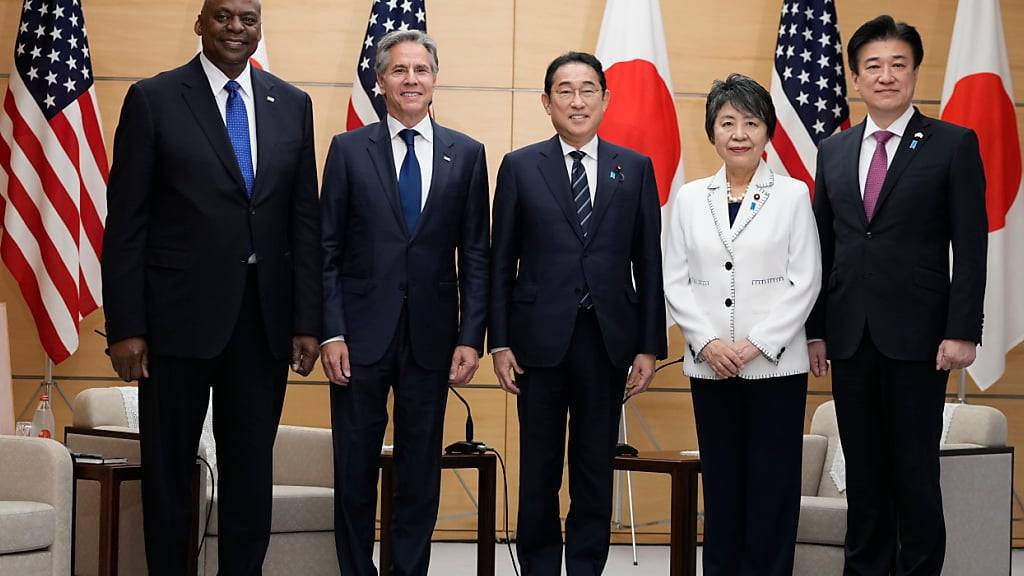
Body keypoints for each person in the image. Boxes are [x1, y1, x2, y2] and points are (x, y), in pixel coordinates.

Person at [101, 0, 321, 573]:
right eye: (222, 16)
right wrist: (127, 326)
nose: (235, 29)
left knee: (251, 471)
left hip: (264, 321)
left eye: (247, 19)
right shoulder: (153, 99)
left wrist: (306, 319)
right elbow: (126, 221)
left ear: (259, 28)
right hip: (175, 322)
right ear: (199, 24)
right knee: (170, 473)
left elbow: (304, 221)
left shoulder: (293, 105)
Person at [807, 15, 987, 575]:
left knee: (913, 475)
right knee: (863, 477)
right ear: (855, 78)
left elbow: (972, 244)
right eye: (873, 66)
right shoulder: (833, 153)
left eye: (897, 65)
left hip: (920, 337)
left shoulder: (952, 144)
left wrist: (963, 330)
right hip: (851, 336)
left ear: (914, 72)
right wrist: (815, 330)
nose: (886, 76)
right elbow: (823, 247)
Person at [319, 29, 489, 576]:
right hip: (358, 340)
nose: (411, 80)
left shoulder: (468, 154)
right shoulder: (348, 150)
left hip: (433, 339)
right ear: (380, 80)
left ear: (435, 80)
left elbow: (477, 256)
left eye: (421, 70)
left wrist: (470, 336)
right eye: (399, 70)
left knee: (420, 471)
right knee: (355, 470)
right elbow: (326, 250)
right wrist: (331, 332)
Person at [489, 51, 666, 576]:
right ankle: (540, 567)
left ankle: (586, 566)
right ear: (547, 103)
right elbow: (501, 261)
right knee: (539, 469)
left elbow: (649, 263)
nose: (577, 100)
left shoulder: (633, 169)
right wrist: (498, 341)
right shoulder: (520, 166)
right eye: (564, 90)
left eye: (588, 89)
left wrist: (648, 345)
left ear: (606, 99)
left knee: (594, 468)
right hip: (535, 344)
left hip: (607, 340)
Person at [663, 74, 821, 576]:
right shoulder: (689, 198)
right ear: (712, 132)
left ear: (768, 131)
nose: (739, 133)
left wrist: (754, 344)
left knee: (773, 488)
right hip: (711, 367)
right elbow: (675, 278)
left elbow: (806, 280)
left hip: (776, 367)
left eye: (751, 122)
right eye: (727, 122)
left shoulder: (793, 195)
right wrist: (708, 343)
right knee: (723, 486)